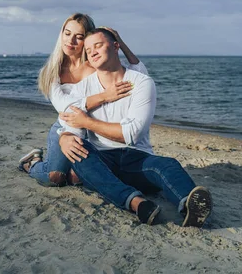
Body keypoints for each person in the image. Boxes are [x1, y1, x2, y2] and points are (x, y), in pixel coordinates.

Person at [57, 28, 213, 227]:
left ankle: (191, 206)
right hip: (101, 160)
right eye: (88, 50)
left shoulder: (141, 83)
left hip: (137, 158)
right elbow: (70, 124)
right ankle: (136, 203)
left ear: (115, 47)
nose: (93, 52)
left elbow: (130, 134)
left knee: (167, 165)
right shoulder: (82, 88)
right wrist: (65, 137)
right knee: (79, 154)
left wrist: (86, 122)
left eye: (98, 45)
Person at [18, 13, 147, 187]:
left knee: (77, 179)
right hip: (66, 128)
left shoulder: (96, 65)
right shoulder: (52, 71)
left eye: (78, 37)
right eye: (67, 33)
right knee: (54, 178)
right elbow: (65, 108)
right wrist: (104, 96)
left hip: (92, 130)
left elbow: (140, 76)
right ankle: (31, 163)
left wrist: (119, 43)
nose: (70, 41)